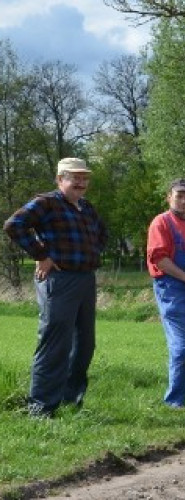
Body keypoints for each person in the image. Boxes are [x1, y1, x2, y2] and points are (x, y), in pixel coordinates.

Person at [3, 157, 108, 418]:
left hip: (85, 279)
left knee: (84, 344)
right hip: (59, 281)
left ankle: (71, 401)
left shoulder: (86, 207)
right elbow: (14, 225)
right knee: (54, 343)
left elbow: (101, 234)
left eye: (84, 178)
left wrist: (91, 253)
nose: (81, 183)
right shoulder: (46, 202)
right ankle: (41, 408)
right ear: (60, 179)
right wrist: (41, 255)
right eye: (75, 178)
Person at [147, 179, 185, 408]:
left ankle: (180, 400)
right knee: (183, 345)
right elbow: (160, 260)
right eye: (179, 195)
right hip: (170, 289)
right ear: (169, 197)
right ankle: (173, 401)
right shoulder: (161, 223)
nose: (183, 200)